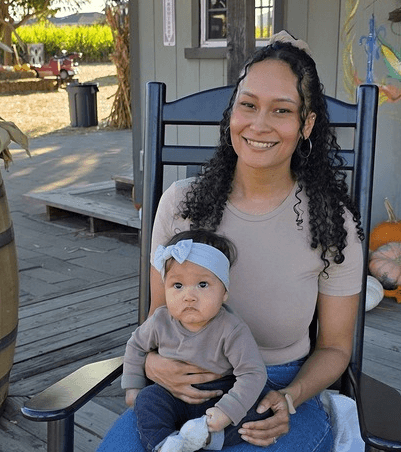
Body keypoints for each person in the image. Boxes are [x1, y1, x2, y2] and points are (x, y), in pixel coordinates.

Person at [98, 30, 363, 452]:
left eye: (281, 110)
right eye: (248, 105)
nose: (259, 124)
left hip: (276, 390)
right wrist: (151, 364)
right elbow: (157, 316)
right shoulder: (180, 204)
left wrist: (290, 397)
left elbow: (334, 346)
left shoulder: (331, 223)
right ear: (232, 112)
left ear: (307, 124)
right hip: (181, 387)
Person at [122, 230, 268, 452]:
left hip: (218, 395)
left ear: (224, 292)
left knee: (259, 409)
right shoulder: (160, 321)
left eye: (202, 284)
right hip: (170, 395)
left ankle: (204, 437)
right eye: (177, 286)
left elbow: (253, 372)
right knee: (147, 400)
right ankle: (165, 444)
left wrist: (226, 411)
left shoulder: (231, 328)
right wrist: (133, 386)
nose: (189, 296)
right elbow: (136, 346)